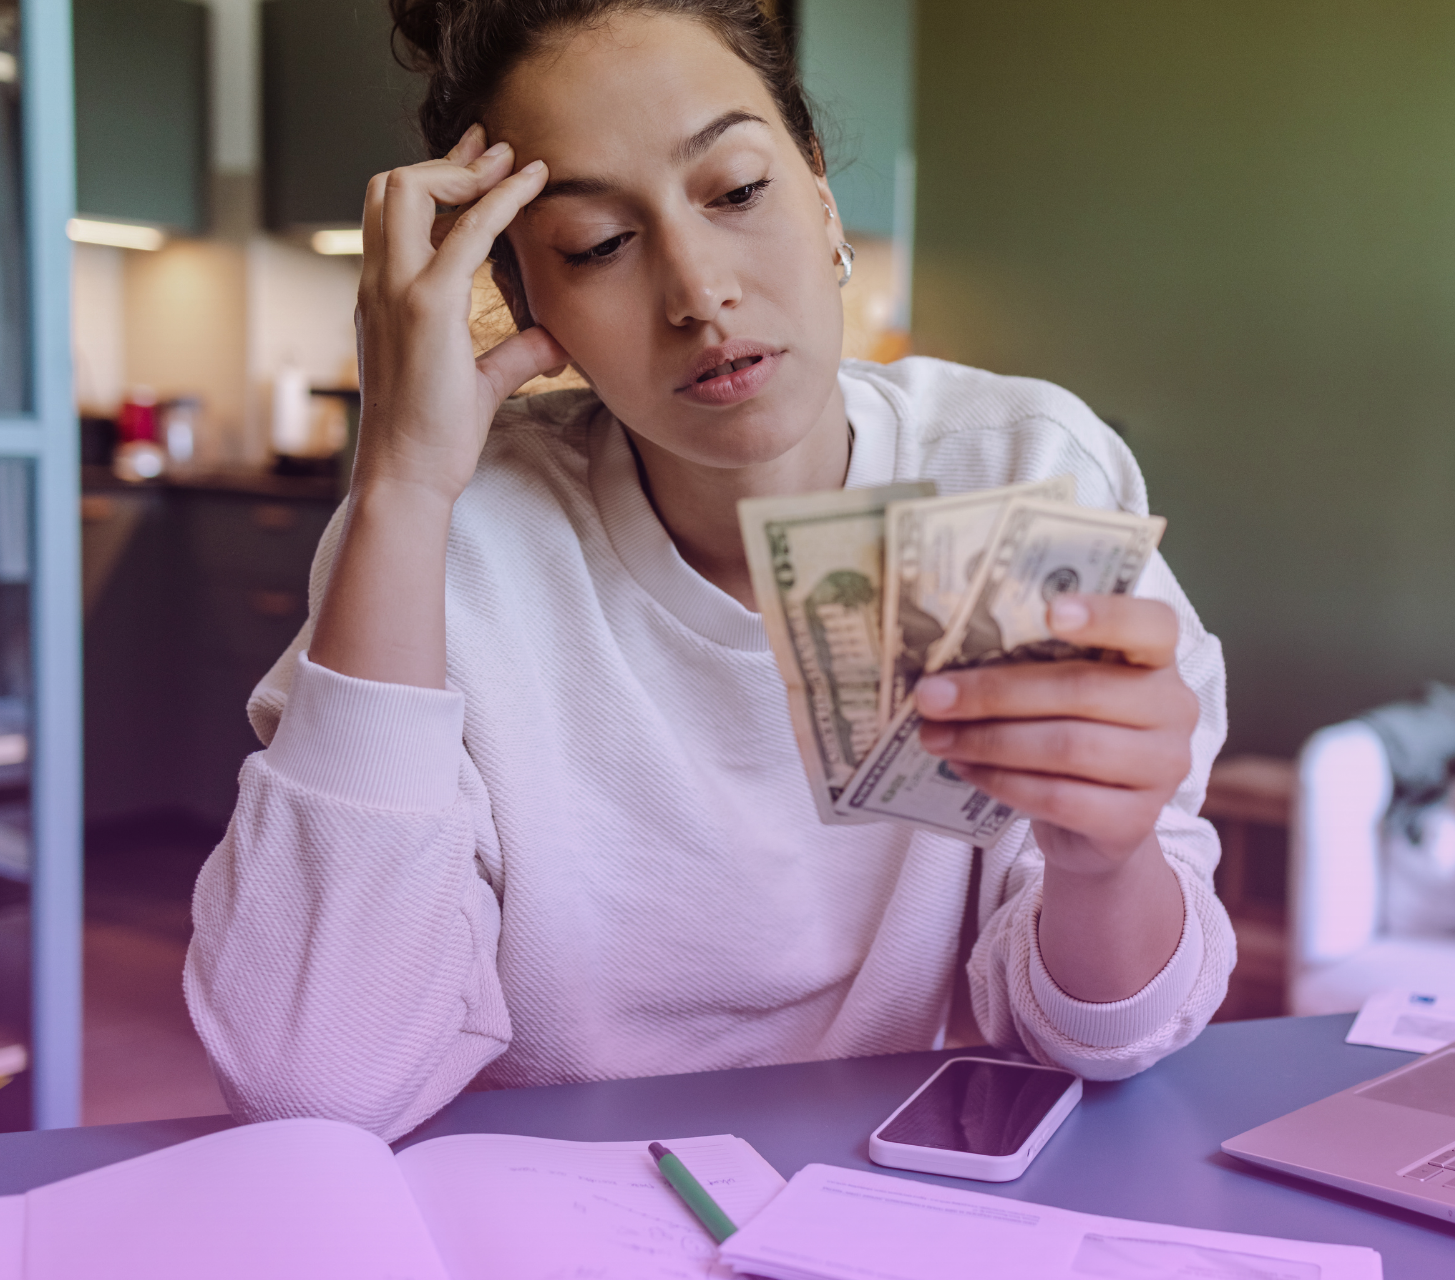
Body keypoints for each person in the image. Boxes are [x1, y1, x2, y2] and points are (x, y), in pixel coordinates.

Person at [186, 0, 1232, 1141]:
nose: (698, 292)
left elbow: (1108, 1034)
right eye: (597, 245)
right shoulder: (450, 533)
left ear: (821, 190)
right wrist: (397, 479)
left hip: (893, 1203)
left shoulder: (1016, 469)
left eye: (736, 190)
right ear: (531, 303)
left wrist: (1105, 860)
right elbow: (309, 1081)